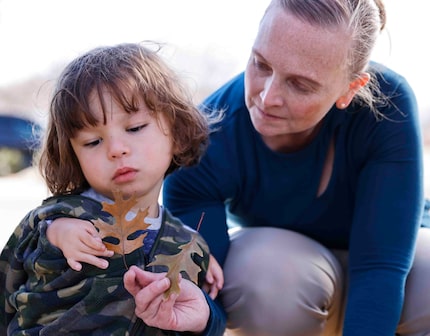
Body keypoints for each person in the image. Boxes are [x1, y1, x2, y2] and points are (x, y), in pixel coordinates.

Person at [162, 0, 430, 335]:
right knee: (264, 275)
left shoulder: (389, 108)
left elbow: (381, 267)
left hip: (394, 264)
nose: (267, 96)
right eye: (260, 64)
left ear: (350, 90)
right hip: (296, 283)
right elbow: (203, 299)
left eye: (300, 84)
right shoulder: (202, 142)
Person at [0, 42, 225, 335]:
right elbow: (11, 274)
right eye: (93, 142)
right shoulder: (61, 218)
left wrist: (197, 256)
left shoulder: (187, 241)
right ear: (73, 156)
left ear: (179, 134)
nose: (116, 150)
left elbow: (202, 322)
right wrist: (53, 233)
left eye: (134, 128)